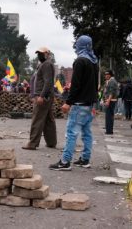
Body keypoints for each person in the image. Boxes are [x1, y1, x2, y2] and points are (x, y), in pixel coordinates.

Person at [49, 35, 98, 171]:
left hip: (79, 104)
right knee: (87, 133)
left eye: (77, 44)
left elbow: (76, 85)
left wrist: (68, 102)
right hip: (89, 103)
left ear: (80, 45)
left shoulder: (80, 61)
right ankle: (85, 159)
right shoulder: (94, 61)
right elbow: (95, 85)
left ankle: (65, 161)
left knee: (71, 133)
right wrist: (94, 103)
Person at [22, 47, 57, 150]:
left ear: (47, 54)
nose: (39, 55)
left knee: (37, 119)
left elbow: (48, 82)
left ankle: (32, 143)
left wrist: (41, 96)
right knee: (48, 120)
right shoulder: (42, 65)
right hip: (46, 96)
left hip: (43, 97)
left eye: (41, 53)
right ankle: (51, 142)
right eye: (38, 53)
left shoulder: (46, 64)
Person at [103, 70, 119, 135]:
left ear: (110, 75)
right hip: (110, 100)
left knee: (109, 116)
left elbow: (111, 92)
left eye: (107, 74)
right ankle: (109, 130)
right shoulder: (110, 81)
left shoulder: (112, 81)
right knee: (109, 116)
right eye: (105, 74)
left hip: (111, 100)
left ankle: (109, 131)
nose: (106, 76)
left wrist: (108, 101)